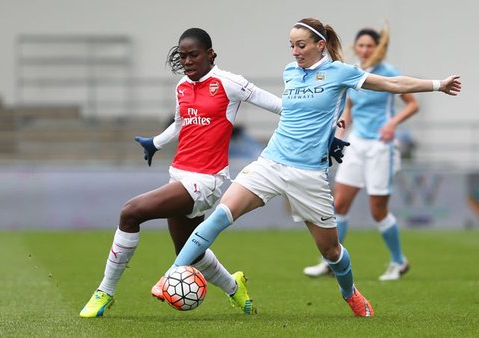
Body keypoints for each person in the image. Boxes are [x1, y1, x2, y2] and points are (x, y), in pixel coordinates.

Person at [164, 18, 461, 317]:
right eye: (291, 45)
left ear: (320, 45)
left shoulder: (340, 73)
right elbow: (299, 118)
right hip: (271, 162)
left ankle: (351, 294)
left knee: (331, 252)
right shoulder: (290, 72)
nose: (294, 52)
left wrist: (438, 85)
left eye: (301, 45)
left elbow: (392, 85)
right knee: (220, 216)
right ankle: (169, 277)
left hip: (308, 175)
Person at [80, 27, 285, 318]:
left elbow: (280, 107)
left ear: (210, 54)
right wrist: (156, 143)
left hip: (207, 181)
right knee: (190, 253)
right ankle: (234, 287)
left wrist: (323, 127)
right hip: (179, 174)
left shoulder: (230, 83)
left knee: (131, 212)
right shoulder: (181, 86)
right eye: (182, 56)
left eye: (194, 55)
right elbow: (180, 123)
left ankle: (105, 292)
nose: (187, 61)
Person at [304, 25, 420, 281]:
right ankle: (330, 261)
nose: (365, 50)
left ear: (378, 48)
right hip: (356, 144)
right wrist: (339, 135)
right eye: (361, 45)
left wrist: (392, 124)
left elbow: (413, 105)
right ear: (355, 47)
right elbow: (349, 109)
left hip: (381, 147)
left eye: (370, 45)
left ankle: (399, 261)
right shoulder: (354, 71)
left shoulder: (389, 73)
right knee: (339, 204)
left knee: (377, 210)